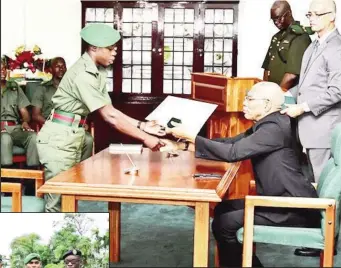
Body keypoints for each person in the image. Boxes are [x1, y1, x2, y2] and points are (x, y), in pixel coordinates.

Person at [161, 82, 319, 267]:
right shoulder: (269, 123)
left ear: (267, 104)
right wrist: (183, 145)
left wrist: (192, 137)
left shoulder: (273, 129)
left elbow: (232, 153)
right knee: (222, 209)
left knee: (224, 224)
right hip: (280, 199)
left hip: (291, 206)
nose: (244, 103)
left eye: (249, 99)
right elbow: (231, 143)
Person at [36, 23, 166, 212]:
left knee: (70, 198)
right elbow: (110, 116)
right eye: (111, 49)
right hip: (59, 140)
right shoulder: (83, 75)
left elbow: (110, 108)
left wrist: (143, 125)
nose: (115, 53)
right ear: (94, 48)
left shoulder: (95, 72)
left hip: (72, 135)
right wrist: (146, 137)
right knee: (57, 202)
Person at [281, 0, 341, 257]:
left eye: (318, 14)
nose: (312, 18)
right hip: (310, 127)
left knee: (328, 189)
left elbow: (336, 91)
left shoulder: (336, 48)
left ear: (332, 17)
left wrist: (302, 107)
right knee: (319, 184)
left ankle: (327, 242)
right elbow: (304, 85)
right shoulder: (314, 44)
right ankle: (326, 237)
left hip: (324, 128)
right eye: (309, 13)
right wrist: (280, 95)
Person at [31, 57, 94, 161]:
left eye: (63, 66)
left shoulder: (74, 89)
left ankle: (81, 171)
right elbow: (35, 115)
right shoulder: (42, 89)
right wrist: (50, 125)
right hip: (52, 127)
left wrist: (82, 123)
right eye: (57, 66)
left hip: (72, 126)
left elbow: (82, 110)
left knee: (88, 139)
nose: (61, 69)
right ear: (50, 70)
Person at [262, 0, 312, 90]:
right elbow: (267, 68)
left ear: (289, 13)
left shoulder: (299, 37)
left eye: (279, 18)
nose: (276, 22)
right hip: (272, 94)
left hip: (288, 94)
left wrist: (276, 95)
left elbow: (292, 75)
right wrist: (265, 90)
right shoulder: (276, 37)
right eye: (274, 20)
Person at [1, 57, 39, 167]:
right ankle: (8, 179)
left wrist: (25, 121)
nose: (2, 71)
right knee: (5, 138)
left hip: (15, 128)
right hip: (2, 131)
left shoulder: (14, 86)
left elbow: (24, 112)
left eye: (3, 68)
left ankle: (31, 178)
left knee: (33, 137)